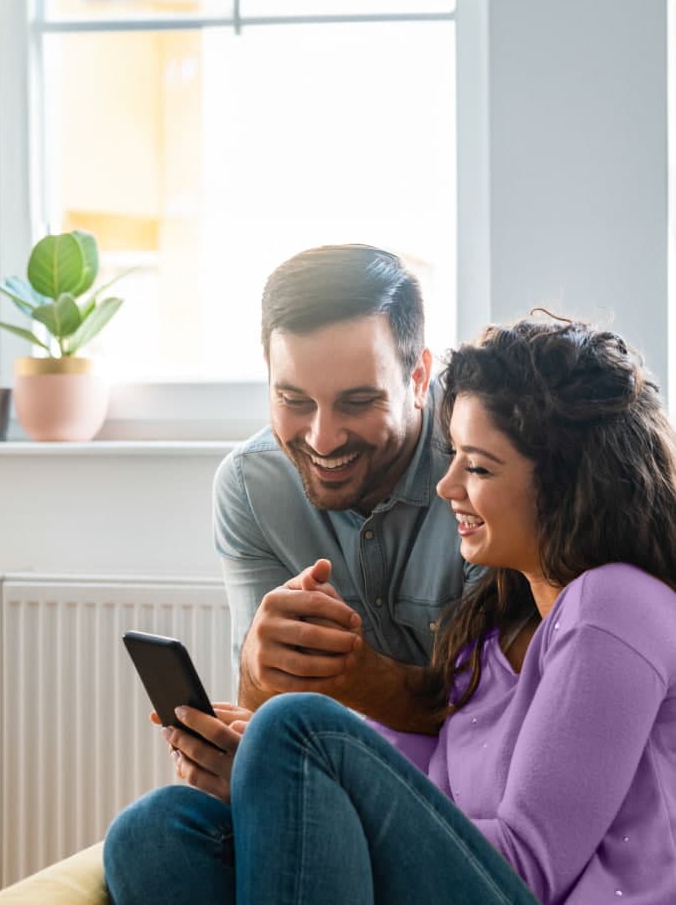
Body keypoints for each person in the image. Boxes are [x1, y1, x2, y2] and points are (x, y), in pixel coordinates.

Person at [104, 313, 676, 905]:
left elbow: (526, 871)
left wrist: (300, 767)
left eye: (477, 466)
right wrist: (263, 782)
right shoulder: (484, 642)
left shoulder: (616, 601)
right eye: (452, 454)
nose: (447, 485)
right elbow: (412, 812)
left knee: (296, 727)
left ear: (568, 485)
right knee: (156, 832)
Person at [213, 243, 478, 724]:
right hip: (330, 771)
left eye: (357, 403)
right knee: (173, 802)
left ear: (418, 378)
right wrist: (255, 677)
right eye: (294, 400)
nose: (323, 439)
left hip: (460, 787)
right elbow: (263, 711)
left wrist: (360, 678)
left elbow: (501, 718)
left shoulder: (482, 466)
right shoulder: (250, 486)